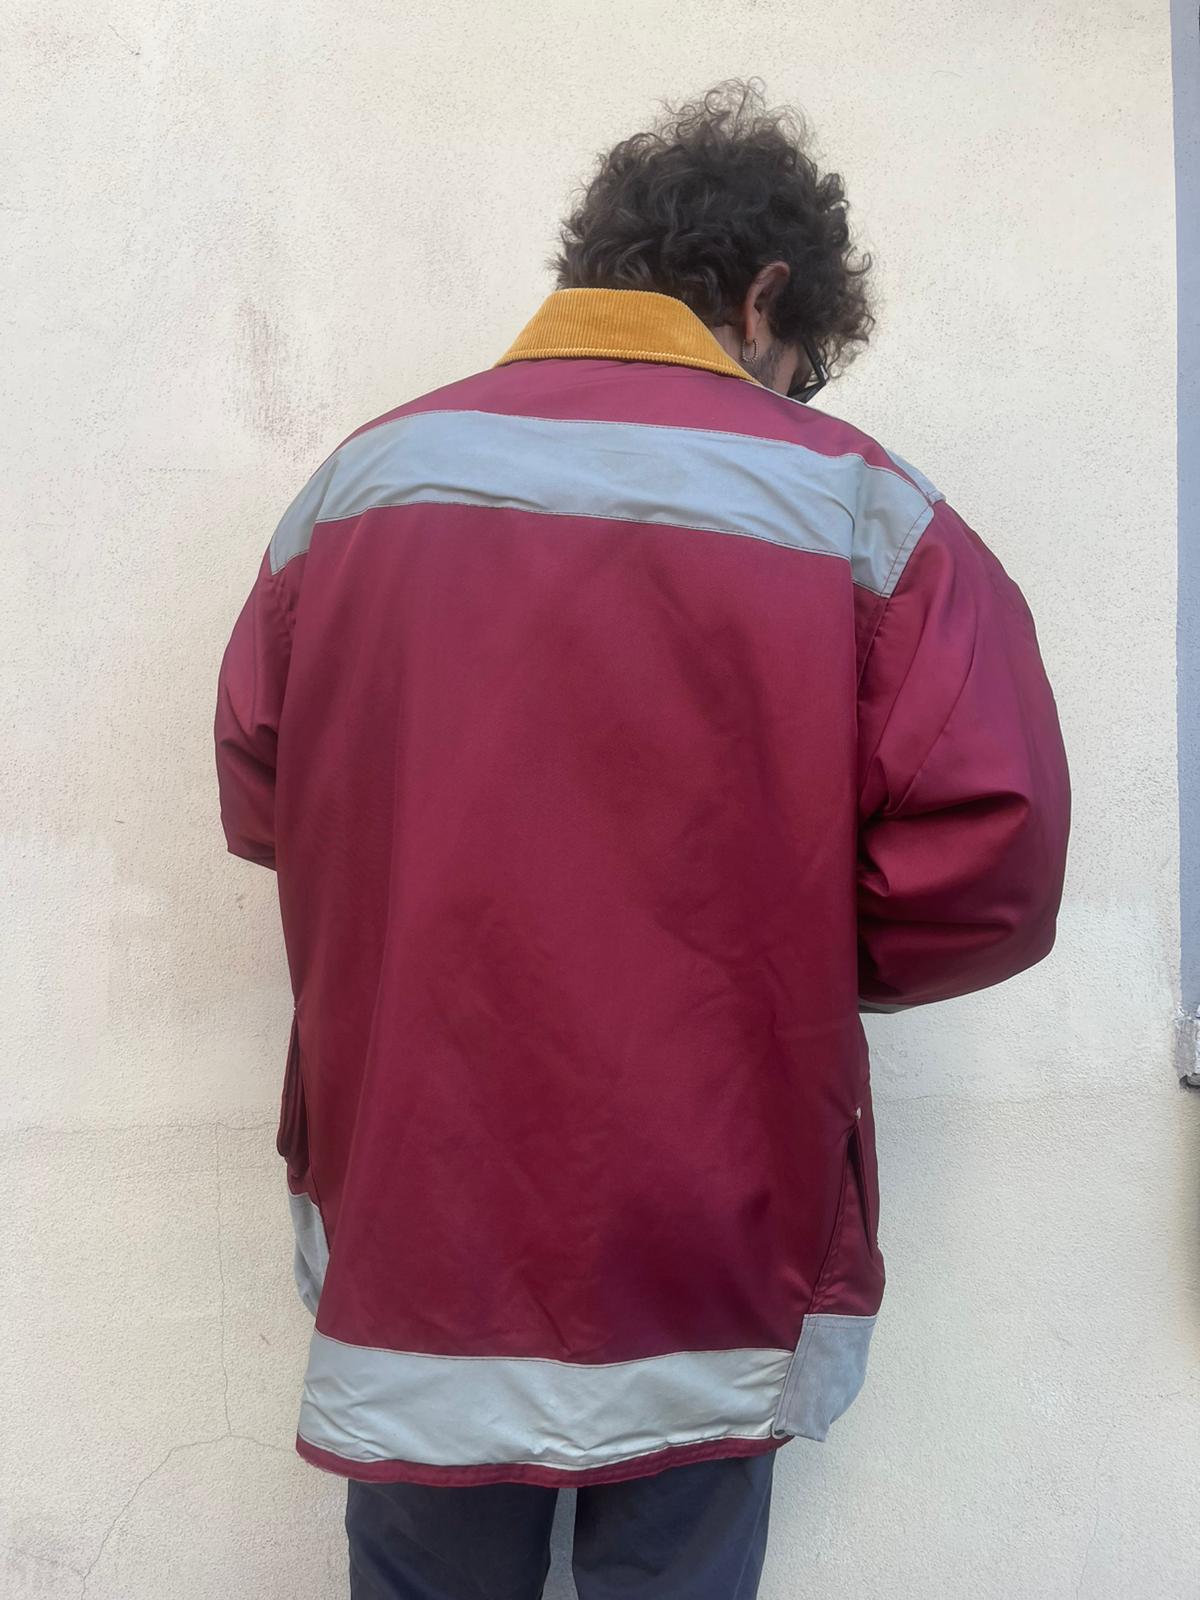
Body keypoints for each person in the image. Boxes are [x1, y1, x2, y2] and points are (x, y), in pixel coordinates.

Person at [215, 80, 1070, 1600]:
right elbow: (987, 854)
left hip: (422, 1191)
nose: (789, 394)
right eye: (797, 362)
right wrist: (782, 954)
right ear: (765, 296)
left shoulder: (359, 488)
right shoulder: (860, 511)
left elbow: (268, 789)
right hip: (709, 1200)